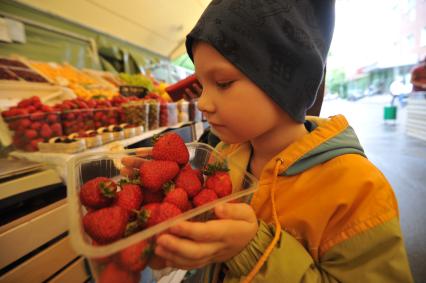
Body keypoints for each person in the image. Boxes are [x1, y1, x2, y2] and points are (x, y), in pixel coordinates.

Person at [123, 1, 413, 282]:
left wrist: (251, 250)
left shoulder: (358, 191)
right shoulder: (226, 153)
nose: (203, 103)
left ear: (286, 83)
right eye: (202, 84)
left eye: (222, 83)